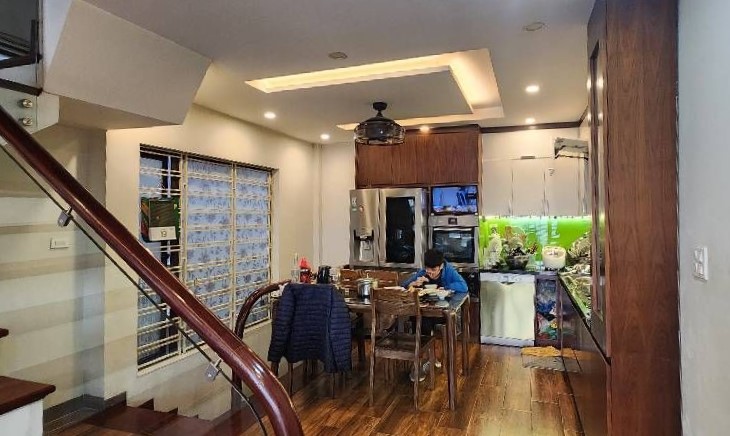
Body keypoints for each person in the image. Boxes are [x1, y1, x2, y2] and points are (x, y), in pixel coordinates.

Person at [401, 249, 467, 381]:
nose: (430, 272)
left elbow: (464, 286)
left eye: (433, 269)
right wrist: (414, 283)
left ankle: (426, 358)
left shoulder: (449, 271)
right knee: (417, 318)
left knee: (421, 322)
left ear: (441, 266)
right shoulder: (423, 272)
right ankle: (423, 359)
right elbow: (404, 285)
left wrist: (446, 287)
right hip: (424, 311)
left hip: (442, 311)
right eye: (428, 269)